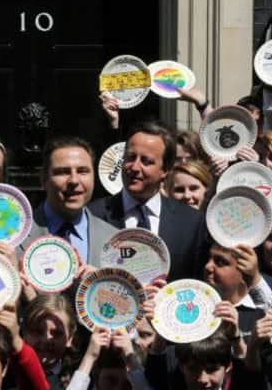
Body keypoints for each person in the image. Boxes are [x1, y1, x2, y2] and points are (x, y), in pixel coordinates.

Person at [89, 120, 209, 280]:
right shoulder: (93, 215)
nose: (135, 167)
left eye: (146, 161)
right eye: (130, 157)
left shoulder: (191, 222)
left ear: (165, 169)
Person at [19, 136, 117, 269]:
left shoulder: (114, 240)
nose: (74, 181)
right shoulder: (15, 236)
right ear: (43, 179)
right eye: (62, 172)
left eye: (83, 171)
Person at [22, 294, 77, 390]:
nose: (46, 339)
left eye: (56, 333)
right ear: (24, 332)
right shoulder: (3, 375)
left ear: (70, 337)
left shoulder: (77, 384)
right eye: (38, 331)